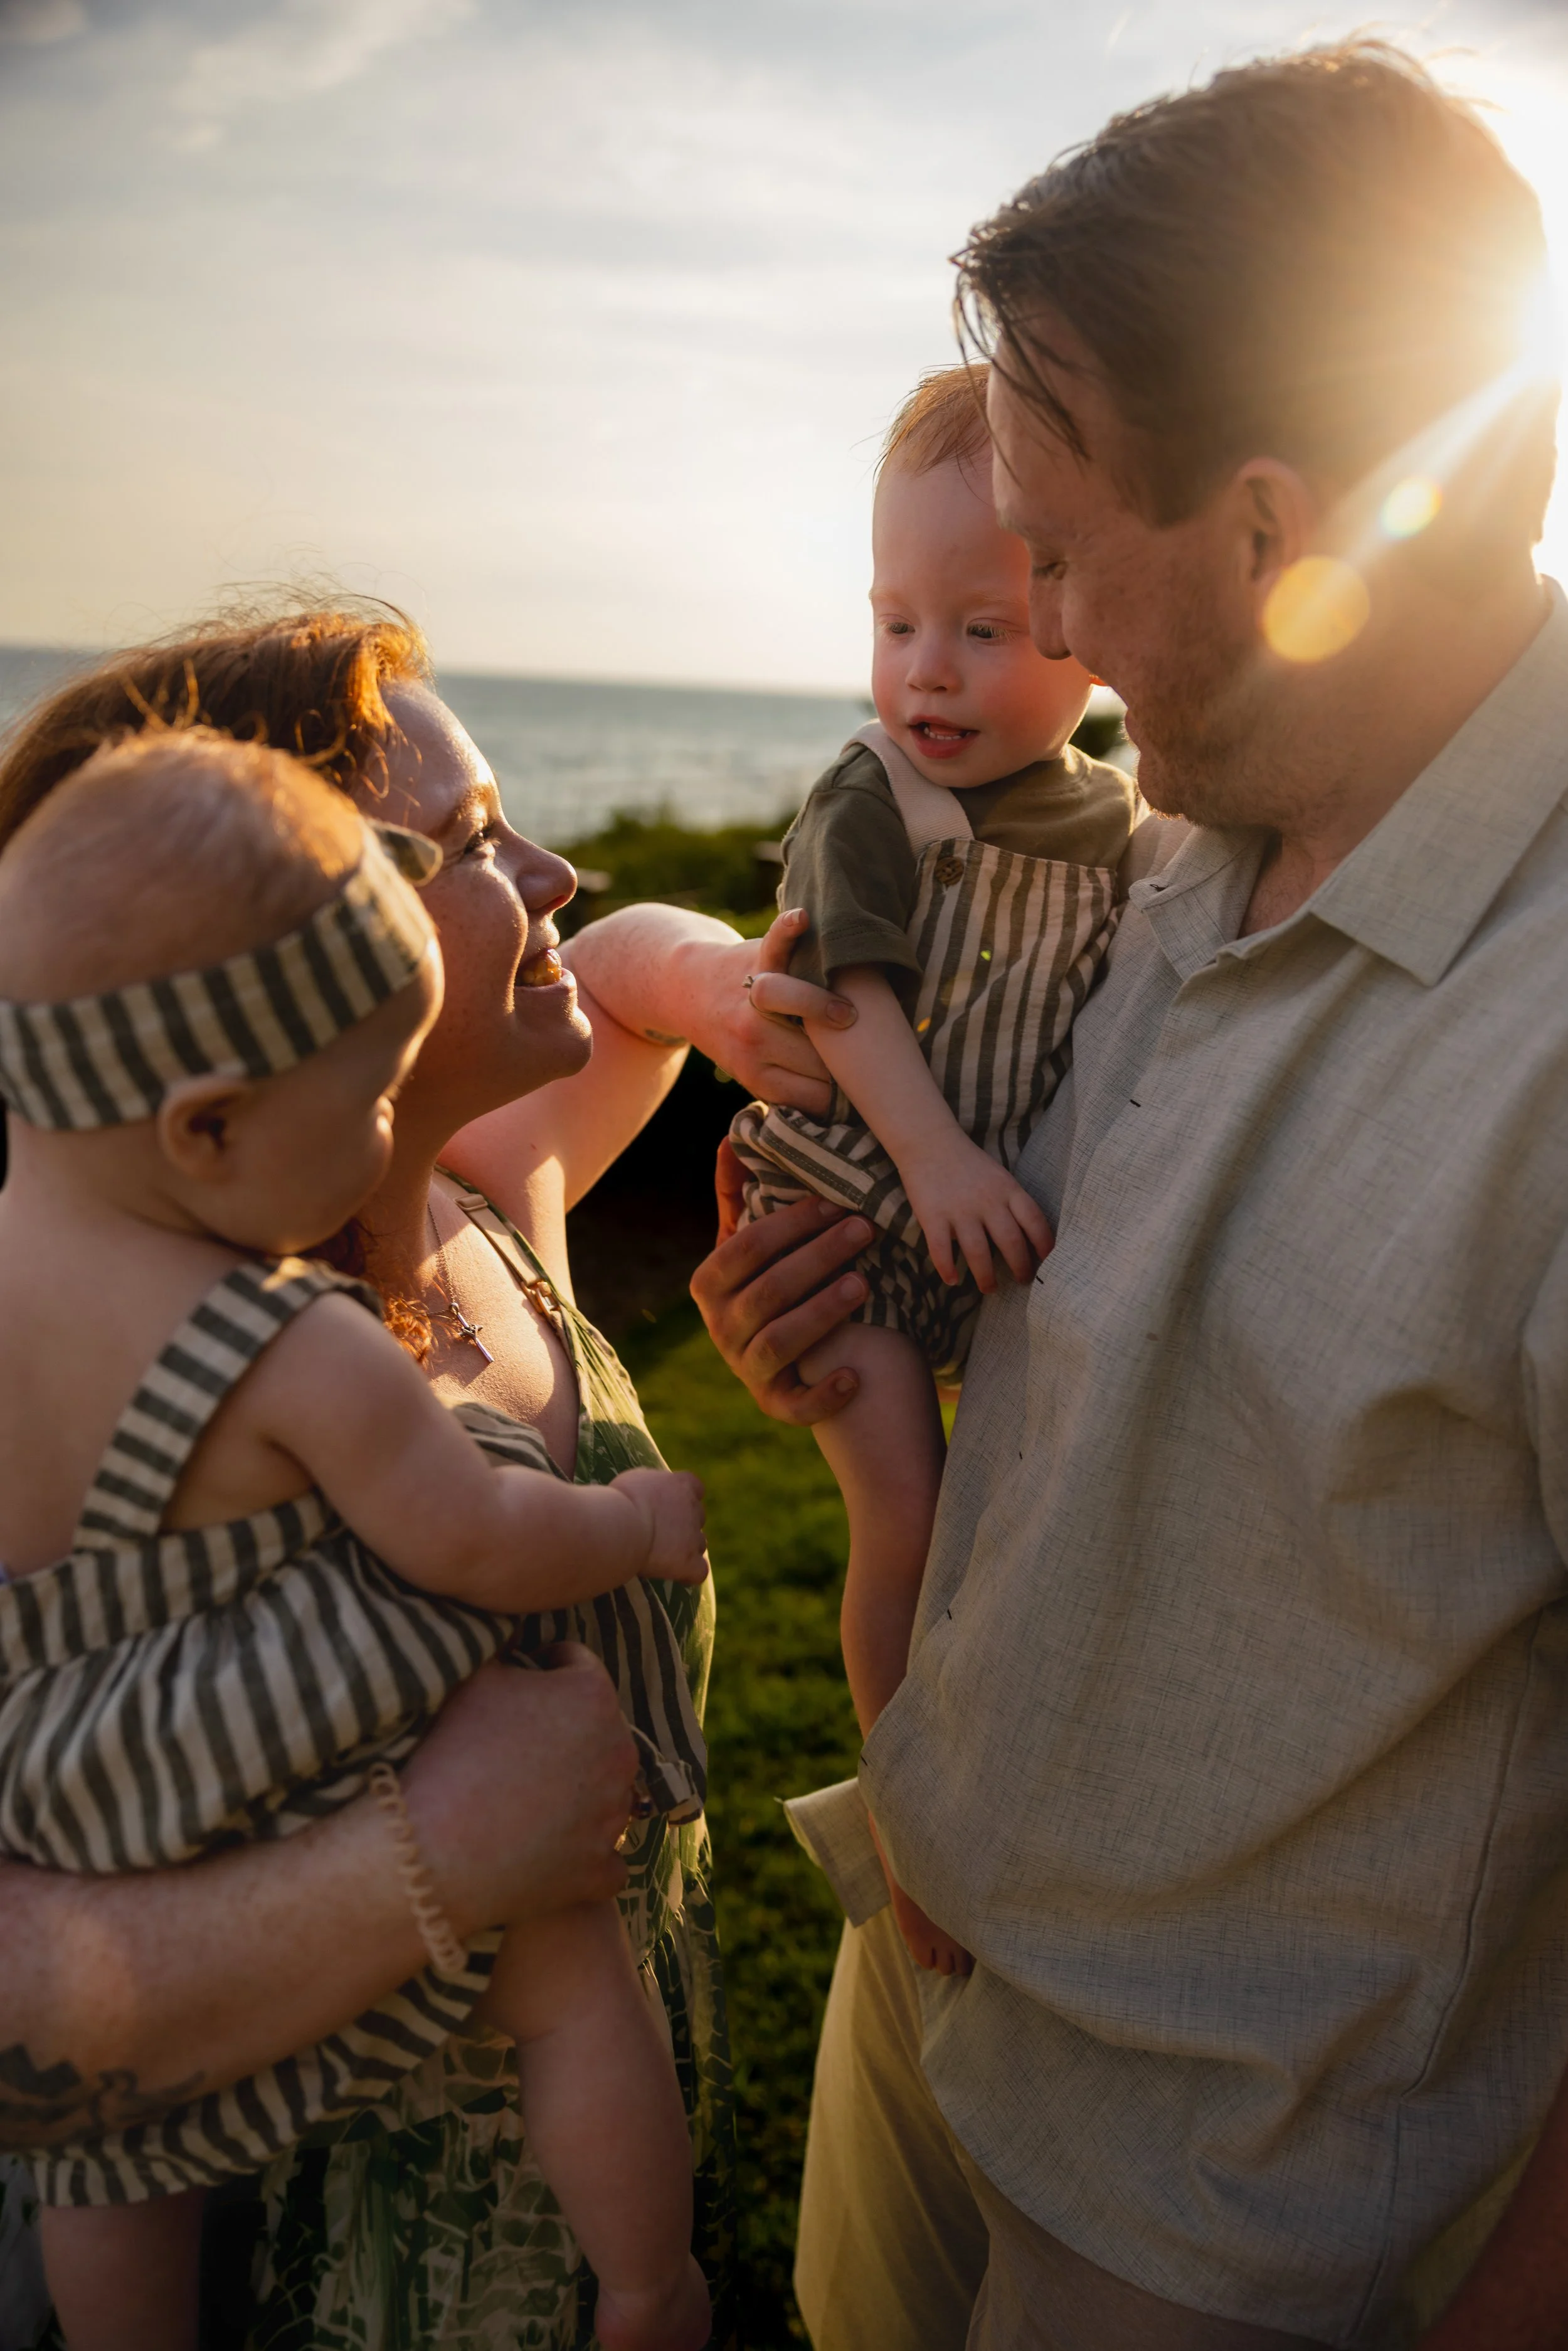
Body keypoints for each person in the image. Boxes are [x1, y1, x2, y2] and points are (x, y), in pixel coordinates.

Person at [694, 38, 1568, 2351]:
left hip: (1219, 2227)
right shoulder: (1171, 850)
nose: (1041, 633)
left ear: (1277, 540)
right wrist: (853, 1337)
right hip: (934, 1982)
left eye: (1067, 566)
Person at [0, 603, 849, 2350]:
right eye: (467, 843)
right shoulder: (185, 1413)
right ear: (282, 954)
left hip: (620, 2095)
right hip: (352, 2262)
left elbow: (621, 966)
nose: (549, 866)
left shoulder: (490, 1202)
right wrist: (443, 1850)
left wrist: (705, 979)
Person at [728, 364, 1133, 1977]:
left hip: (974, 1210)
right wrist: (939, 1158)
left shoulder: (1112, 822)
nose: (924, 671)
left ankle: (1001, 1786)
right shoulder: (868, 795)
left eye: (980, 625)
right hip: (837, 1189)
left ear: (1084, 625)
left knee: (995, 1522)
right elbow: (846, 1000)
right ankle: (908, 1832)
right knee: (900, 1508)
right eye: (895, 620)